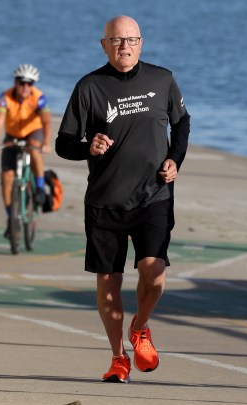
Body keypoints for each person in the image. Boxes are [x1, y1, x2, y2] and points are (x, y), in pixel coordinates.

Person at [55, 15, 190, 383]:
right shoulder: (89, 87)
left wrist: (174, 160)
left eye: (130, 40)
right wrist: (89, 146)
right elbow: (64, 143)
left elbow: (182, 123)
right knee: (108, 284)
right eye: (116, 41)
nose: (124, 46)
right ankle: (118, 358)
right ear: (104, 45)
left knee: (154, 272)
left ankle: (141, 327)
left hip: (154, 194)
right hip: (104, 201)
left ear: (141, 43)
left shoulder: (161, 80)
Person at [0, 64, 51, 235]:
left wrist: (45, 142)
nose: (25, 87)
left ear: (33, 84)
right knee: (7, 178)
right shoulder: (5, 97)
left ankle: (38, 187)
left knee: (34, 151)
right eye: (21, 82)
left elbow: (46, 122)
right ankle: (12, 219)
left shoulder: (39, 98)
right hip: (12, 135)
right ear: (15, 82)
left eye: (29, 83)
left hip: (33, 133)